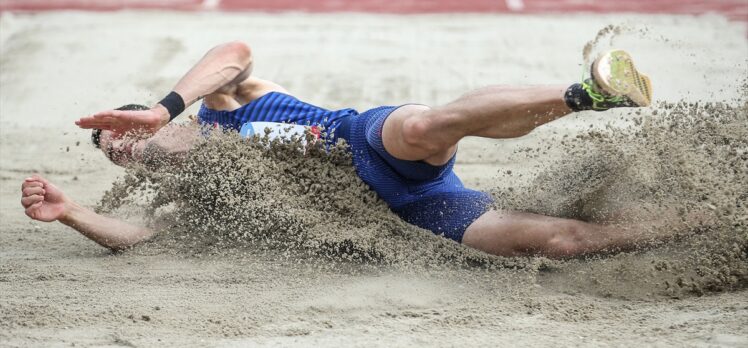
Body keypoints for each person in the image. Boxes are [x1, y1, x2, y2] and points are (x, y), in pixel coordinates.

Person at [21, 41, 674, 258]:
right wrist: (72, 211)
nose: (124, 153)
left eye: (125, 135)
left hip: (368, 139)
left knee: (424, 127)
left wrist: (164, 104)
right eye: (113, 156)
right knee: (564, 243)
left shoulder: (222, 103)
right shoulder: (202, 187)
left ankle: (586, 92)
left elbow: (235, 53)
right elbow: (142, 235)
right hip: (408, 208)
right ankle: (708, 230)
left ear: (145, 119)